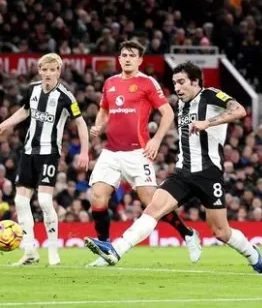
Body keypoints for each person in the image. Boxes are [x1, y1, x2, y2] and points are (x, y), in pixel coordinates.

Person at [84, 61, 262, 274]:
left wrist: (207, 122)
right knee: (154, 208)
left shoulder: (210, 95)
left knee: (220, 231)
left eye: (182, 82)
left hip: (209, 175)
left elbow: (239, 111)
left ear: (195, 81)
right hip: (182, 173)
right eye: (175, 83)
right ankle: (116, 249)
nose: (177, 88)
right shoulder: (181, 106)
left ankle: (253, 255)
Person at [86, 40, 201, 267]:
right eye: (124, 55)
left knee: (152, 202)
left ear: (140, 60)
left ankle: (188, 234)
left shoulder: (147, 83)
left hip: (137, 152)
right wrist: (98, 125)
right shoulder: (109, 83)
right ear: (119, 59)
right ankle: (106, 248)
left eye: (132, 55)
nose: (127, 58)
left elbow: (167, 113)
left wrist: (156, 140)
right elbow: (104, 111)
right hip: (110, 151)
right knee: (97, 198)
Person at [0, 53, 89, 266]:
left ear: (59, 72)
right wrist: (3, 125)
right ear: (40, 70)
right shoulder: (32, 89)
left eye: (53, 70)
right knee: (20, 201)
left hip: (49, 152)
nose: (49, 74)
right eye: (46, 70)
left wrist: (85, 151)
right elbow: (24, 111)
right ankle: (30, 250)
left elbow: (80, 123)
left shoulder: (65, 96)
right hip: (28, 151)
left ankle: (53, 251)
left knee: (43, 200)